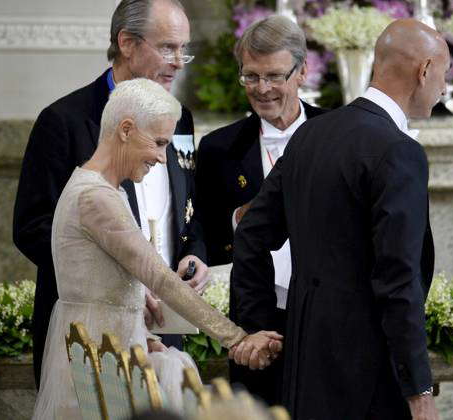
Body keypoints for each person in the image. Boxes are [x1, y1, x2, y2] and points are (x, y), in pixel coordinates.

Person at [230, 19, 446, 419]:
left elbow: (250, 236)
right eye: (444, 75)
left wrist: (258, 325)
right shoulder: (399, 151)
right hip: (369, 380)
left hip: (303, 367)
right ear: (425, 70)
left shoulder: (312, 134)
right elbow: (398, 279)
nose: (444, 89)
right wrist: (419, 390)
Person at [32, 78, 283, 419]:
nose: (163, 159)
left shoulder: (102, 189)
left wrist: (141, 327)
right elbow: (160, 278)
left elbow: (109, 285)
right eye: (159, 143)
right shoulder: (96, 197)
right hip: (101, 360)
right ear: (125, 129)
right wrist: (237, 338)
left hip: (109, 348)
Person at [13, 0, 207, 388]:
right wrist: (128, 284)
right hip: (90, 334)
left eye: (182, 48)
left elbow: (187, 211)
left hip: (163, 326)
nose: (178, 61)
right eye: (167, 47)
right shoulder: (64, 121)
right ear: (127, 43)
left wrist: (195, 255)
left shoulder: (179, 116)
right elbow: (33, 227)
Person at [194, 15, 325, 405]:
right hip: (256, 319)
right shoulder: (220, 148)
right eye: (251, 76)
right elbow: (204, 236)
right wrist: (241, 219)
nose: (262, 89)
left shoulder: (336, 132)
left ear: (302, 72)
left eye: (273, 76)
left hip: (325, 316)